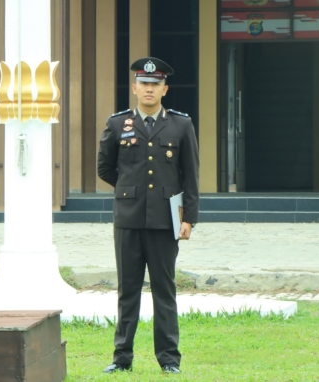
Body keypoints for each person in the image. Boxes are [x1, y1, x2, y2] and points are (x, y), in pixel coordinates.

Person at [97, 57, 199, 374]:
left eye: (155, 85)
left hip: (165, 221)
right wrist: (131, 188)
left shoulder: (181, 125)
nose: (149, 89)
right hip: (128, 220)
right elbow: (105, 168)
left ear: (164, 89)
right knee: (128, 291)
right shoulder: (118, 124)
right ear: (134, 88)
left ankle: (169, 359)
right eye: (144, 84)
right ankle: (121, 357)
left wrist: (189, 219)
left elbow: (190, 176)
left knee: (164, 291)